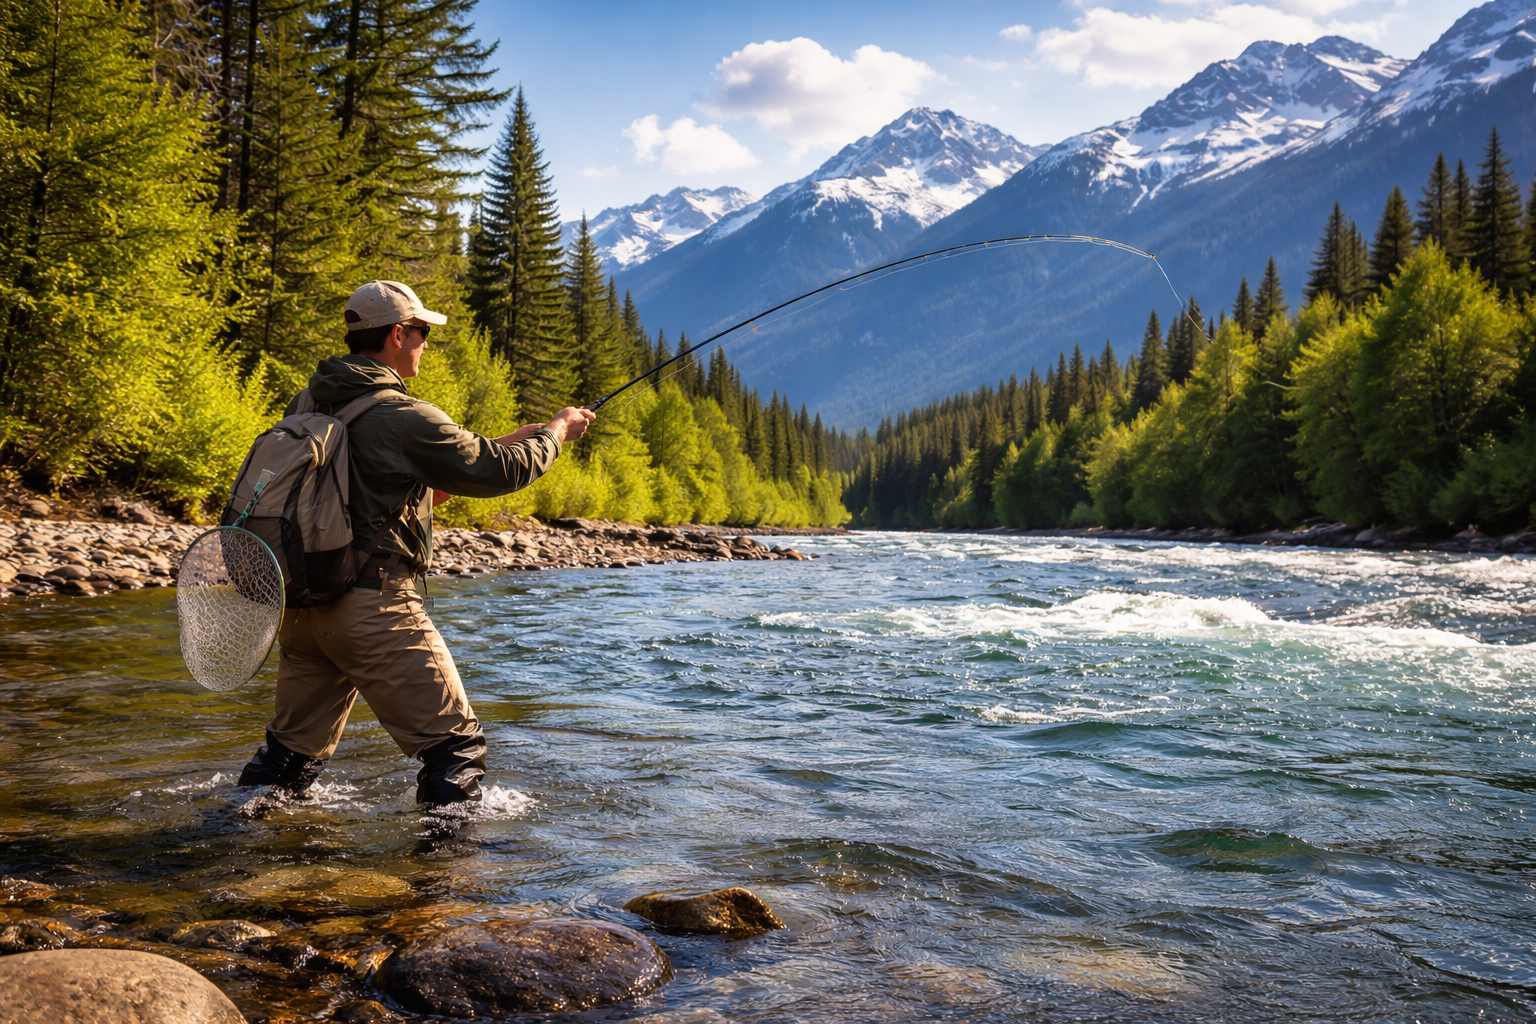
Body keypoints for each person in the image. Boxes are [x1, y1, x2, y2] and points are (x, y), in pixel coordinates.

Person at [237, 280, 595, 807]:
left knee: (290, 754)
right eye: (423, 331)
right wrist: (558, 430)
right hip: (372, 609)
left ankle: (230, 833)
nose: (427, 342)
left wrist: (502, 443)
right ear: (398, 334)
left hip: (303, 609)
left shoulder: (309, 401)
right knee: (456, 749)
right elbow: (502, 473)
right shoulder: (404, 415)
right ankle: (443, 861)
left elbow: (385, 488)